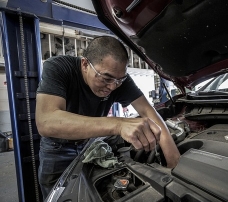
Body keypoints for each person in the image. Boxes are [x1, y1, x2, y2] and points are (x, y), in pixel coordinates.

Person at [35, 36, 180, 200]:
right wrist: (118, 124)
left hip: (91, 145)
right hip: (57, 149)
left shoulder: (118, 80)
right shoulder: (59, 68)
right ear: (84, 64)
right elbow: (46, 122)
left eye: (119, 80)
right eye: (106, 78)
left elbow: (149, 112)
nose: (112, 86)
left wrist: (174, 161)